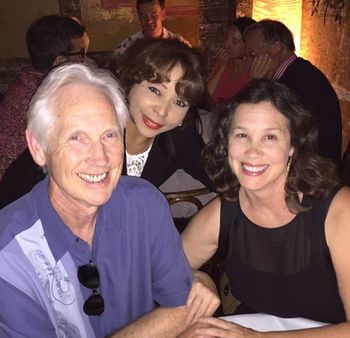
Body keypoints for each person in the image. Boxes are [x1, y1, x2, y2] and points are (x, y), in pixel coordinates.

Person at [0, 63, 219, 337]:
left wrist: (199, 281)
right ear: (38, 147)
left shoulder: (143, 204)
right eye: (77, 137)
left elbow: (182, 308)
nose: (100, 158)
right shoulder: (8, 254)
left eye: (110, 135)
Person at [181, 79, 350, 337]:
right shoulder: (222, 213)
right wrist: (198, 277)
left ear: (293, 145)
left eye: (270, 137)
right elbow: (164, 271)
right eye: (242, 135)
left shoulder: (338, 210)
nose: (253, 151)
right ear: (227, 144)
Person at [0, 38, 213, 209]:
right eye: (155, 90)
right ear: (131, 83)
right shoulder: (94, 122)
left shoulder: (180, 138)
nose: (162, 111)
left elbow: (222, 179)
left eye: (179, 102)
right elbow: (22, 186)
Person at [243, 19, 342, 163]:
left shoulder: (299, 80)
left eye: (251, 54)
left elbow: (254, 122)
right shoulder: (293, 73)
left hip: (311, 170)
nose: (248, 62)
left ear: (277, 47)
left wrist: (256, 84)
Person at [0, 14, 86, 178]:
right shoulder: (46, 96)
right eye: (80, 53)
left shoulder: (29, 79)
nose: (84, 59)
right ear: (59, 60)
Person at [113, 0, 190, 58]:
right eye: (143, 16)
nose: (149, 21)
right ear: (139, 17)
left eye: (154, 15)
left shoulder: (180, 45)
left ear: (163, 14)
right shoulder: (127, 47)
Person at [207, 17, 256, 105]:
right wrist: (222, 66)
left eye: (234, 42)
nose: (226, 45)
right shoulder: (222, 62)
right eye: (226, 38)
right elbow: (206, 98)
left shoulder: (253, 71)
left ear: (247, 45)